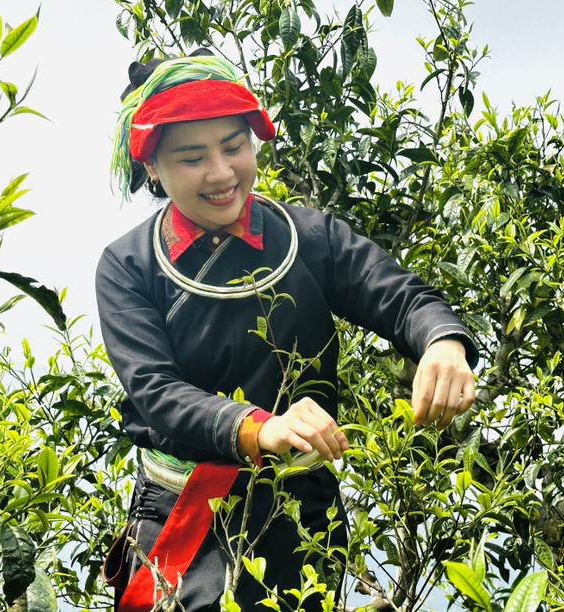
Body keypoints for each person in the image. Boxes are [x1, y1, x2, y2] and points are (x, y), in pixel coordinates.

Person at [96, 52, 478, 612]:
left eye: (233, 146)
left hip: (302, 512)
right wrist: (259, 429)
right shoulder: (129, 266)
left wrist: (442, 342)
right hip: (186, 515)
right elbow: (156, 391)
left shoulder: (308, 236)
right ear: (152, 166)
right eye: (192, 157)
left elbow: (399, 297)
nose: (222, 173)